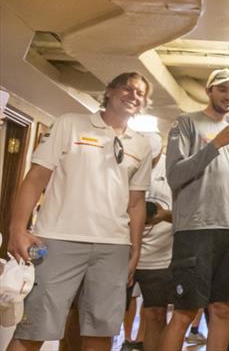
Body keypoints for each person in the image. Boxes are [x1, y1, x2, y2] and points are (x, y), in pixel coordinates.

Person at [7, 72, 153, 351]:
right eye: (127, 88)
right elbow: (35, 178)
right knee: (33, 329)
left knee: (101, 332)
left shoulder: (141, 144)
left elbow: (136, 202)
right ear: (109, 91)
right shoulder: (70, 124)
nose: (134, 95)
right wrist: (17, 229)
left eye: (140, 93)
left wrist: (135, 249)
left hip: (113, 247)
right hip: (58, 240)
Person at [161, 68, 229, 351]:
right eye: (223, 89)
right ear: (209, 91)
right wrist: (217, 143)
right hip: (195, 230)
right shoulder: (187, 123)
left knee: (222, 309)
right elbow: (175, 175)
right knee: (185, 312)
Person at [130, 133, 174, 351]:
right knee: (105, 315)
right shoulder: (128, 161)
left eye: (153, 160)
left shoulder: (173, 171)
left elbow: (189, 214)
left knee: (155, 315)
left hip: (160, 258)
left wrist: (164, 215)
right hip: (123, 254)